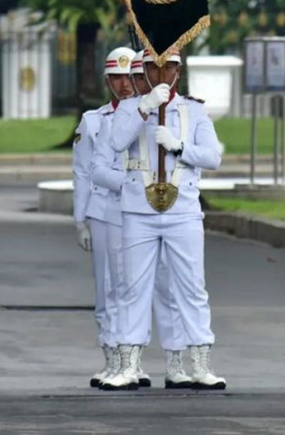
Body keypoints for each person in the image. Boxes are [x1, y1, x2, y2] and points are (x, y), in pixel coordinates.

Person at [101, 51, 225, 390]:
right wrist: (144, 107)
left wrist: (179, 146)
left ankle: (200, 363)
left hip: (182, 208)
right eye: (153, 67)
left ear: (178, 72)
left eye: (168, 66)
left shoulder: (194, 110)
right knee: (132, 288)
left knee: (191, 287)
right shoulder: (130, 107)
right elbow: (114, 142)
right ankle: (129, 364)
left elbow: (213, 156)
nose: (160, 73)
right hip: (138, 209)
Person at [74, 47, 143, 386]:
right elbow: (83, 171)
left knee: (136, 287)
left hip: (141, 211)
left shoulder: (149, 113)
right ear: (107, 80)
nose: (125, 84)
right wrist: (80, 219)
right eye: (117, 77)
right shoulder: (94, 120)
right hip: (105, 210)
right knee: (108, 288)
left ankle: (134, 359)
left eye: (131, 76)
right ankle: (112, 357)